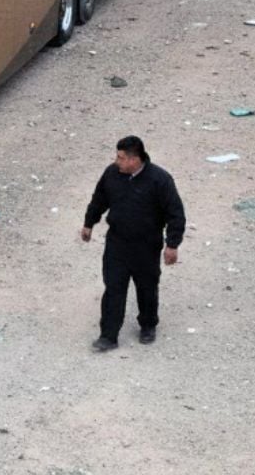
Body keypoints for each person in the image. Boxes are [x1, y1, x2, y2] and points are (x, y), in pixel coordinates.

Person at [80, 136, 185, 352]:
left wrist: (172, 244)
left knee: (146, 287)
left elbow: (175, 214)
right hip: (117, 243)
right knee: (114, 288)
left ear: (134, 160)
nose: (116, 161)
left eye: (120, 158)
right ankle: (108, 336)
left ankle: (148, 325)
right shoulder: (112, 174)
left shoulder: (160, 180)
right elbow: (99, 198)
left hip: (146, 245)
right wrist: (89, 223)